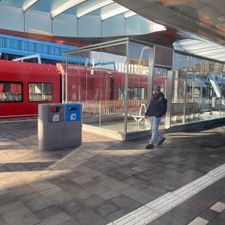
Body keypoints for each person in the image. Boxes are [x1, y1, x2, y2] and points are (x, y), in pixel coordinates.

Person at [145, 84, 166, 149]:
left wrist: (158, 115)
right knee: (154, 130)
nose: (154, 91)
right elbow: (150, 106)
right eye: (153, 89)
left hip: (156, 117)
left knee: (154, 130)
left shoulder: (162, 98)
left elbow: (163, 109)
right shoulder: (153, 98)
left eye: (156, 90)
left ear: (159, 91)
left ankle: (151, 143)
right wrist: (146, 113)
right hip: (151, 115)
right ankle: (162, 138)